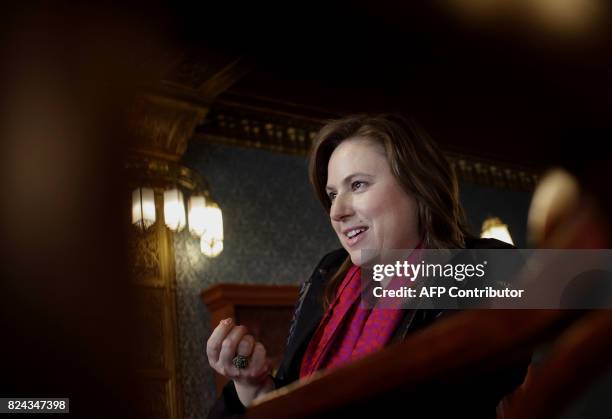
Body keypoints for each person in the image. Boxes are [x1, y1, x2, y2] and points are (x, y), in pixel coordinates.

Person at [206, 114, 527, 418]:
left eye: (357, 185)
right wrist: (254, 385)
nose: (337, 211)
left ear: (417, 186)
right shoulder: (328, 275)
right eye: (332, 195)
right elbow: (292, 398)